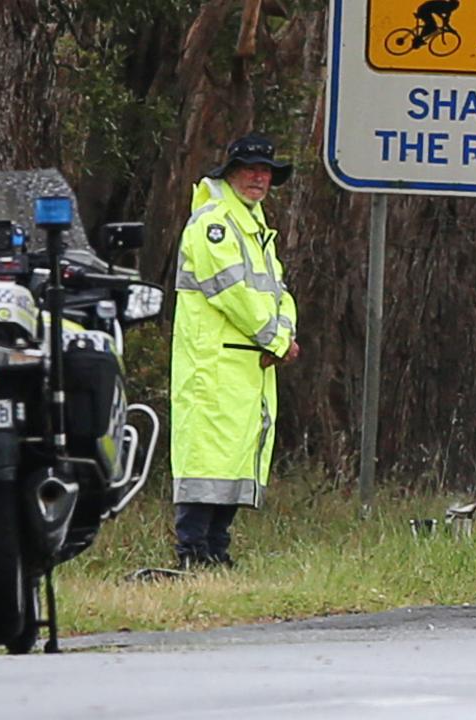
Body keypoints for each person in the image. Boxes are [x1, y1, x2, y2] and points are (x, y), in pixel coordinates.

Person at [170, 133, 300, 569]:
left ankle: (216, 552)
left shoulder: (255, 225)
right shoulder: (215, 223)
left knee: (232, 461)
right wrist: (278, 340)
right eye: (250, 169)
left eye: (265, 171)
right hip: (214, 364)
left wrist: (281, 335)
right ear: (230, 173)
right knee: (206, 460)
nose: (259, 178)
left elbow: (279, 292)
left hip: (247, 364)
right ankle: (193, 553)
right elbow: (232, 291)